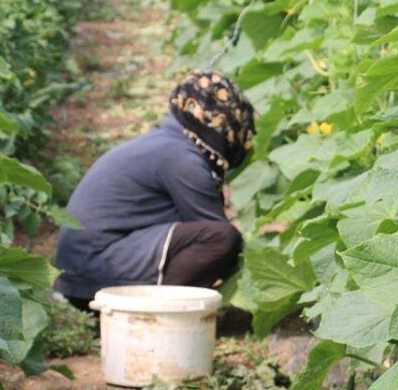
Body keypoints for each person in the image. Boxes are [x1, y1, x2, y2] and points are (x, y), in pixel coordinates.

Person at [54, 70, 256, 309]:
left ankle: (141, 303)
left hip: (81, 271)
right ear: (226, 124)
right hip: (97, 270)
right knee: (222, 239)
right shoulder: (182, 158)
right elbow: (216, 233)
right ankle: (154, 311)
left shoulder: (165, 143)